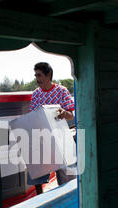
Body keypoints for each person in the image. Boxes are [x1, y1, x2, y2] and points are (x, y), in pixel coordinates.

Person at [28, 62, 76, 194]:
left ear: (48, 75)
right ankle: (39, 199)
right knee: (34, 166)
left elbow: (71, 115)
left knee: (67, 177)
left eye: (39, 75)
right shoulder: (36, 94)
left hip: (60, 137)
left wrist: (64, 113)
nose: (37, 79)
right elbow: (32, 115)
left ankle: (66, 195)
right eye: (35, 75)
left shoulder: (62, 91)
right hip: (42, 137)